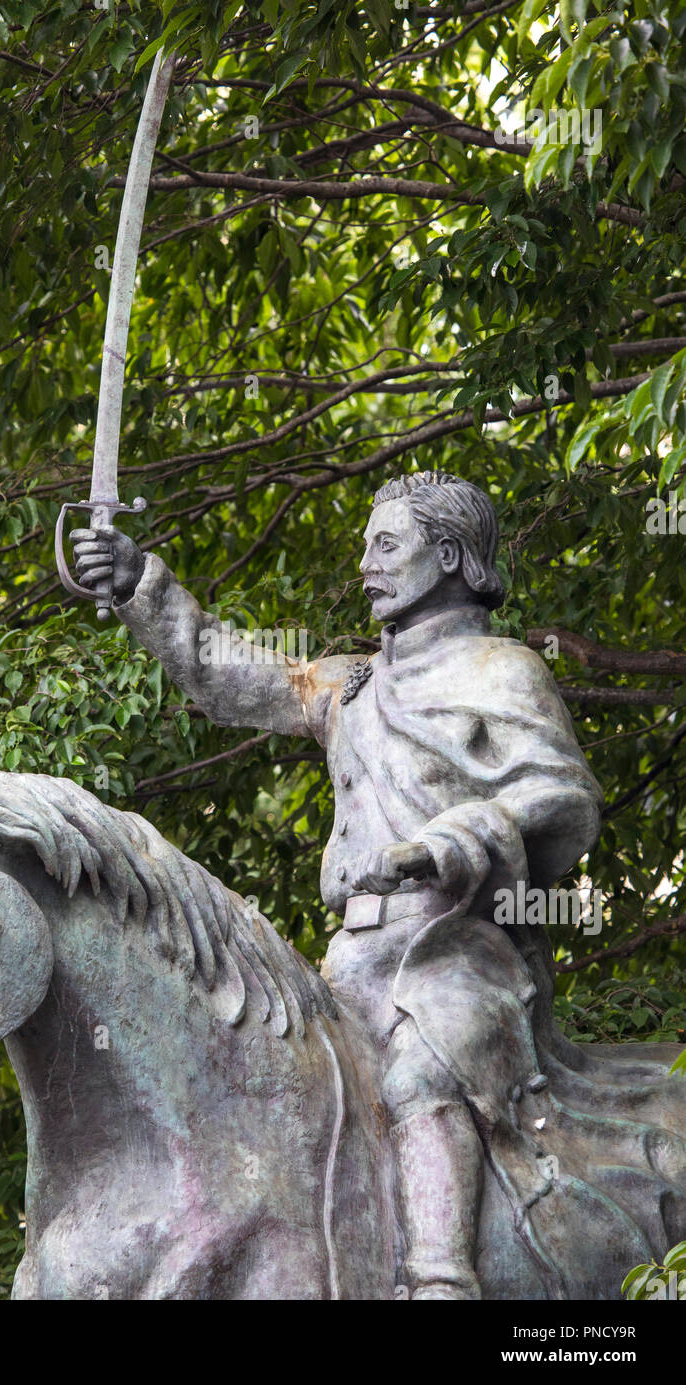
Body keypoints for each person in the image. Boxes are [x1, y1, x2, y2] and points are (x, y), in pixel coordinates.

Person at [72, 471, 604, 1299]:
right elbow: (229, 675)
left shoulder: (503, 670)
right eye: (365, 545)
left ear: (454, 556)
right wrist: (142, 584)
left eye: (386, 544)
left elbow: (564, 800)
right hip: (349, 964)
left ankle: (440, 1279)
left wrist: (452, 837)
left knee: (423, 1073)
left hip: (455, 949)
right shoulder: (348, 683)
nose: (365, 564)